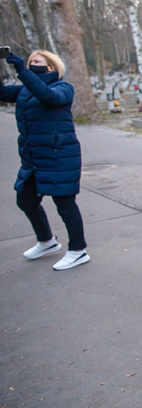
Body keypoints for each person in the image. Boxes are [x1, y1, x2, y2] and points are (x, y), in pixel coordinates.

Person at [2, 50, 90, 271]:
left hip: (59, 156)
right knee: (26, 200)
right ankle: (47, 241)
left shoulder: (63, 88)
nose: (31, 65)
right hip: (33, 159)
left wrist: (22, 69)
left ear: (50, 67)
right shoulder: (25, 91)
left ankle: (78, 250)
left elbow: (48, 97)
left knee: (65, 205)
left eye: (36, 62)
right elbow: (2, 93)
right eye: (29, 62)